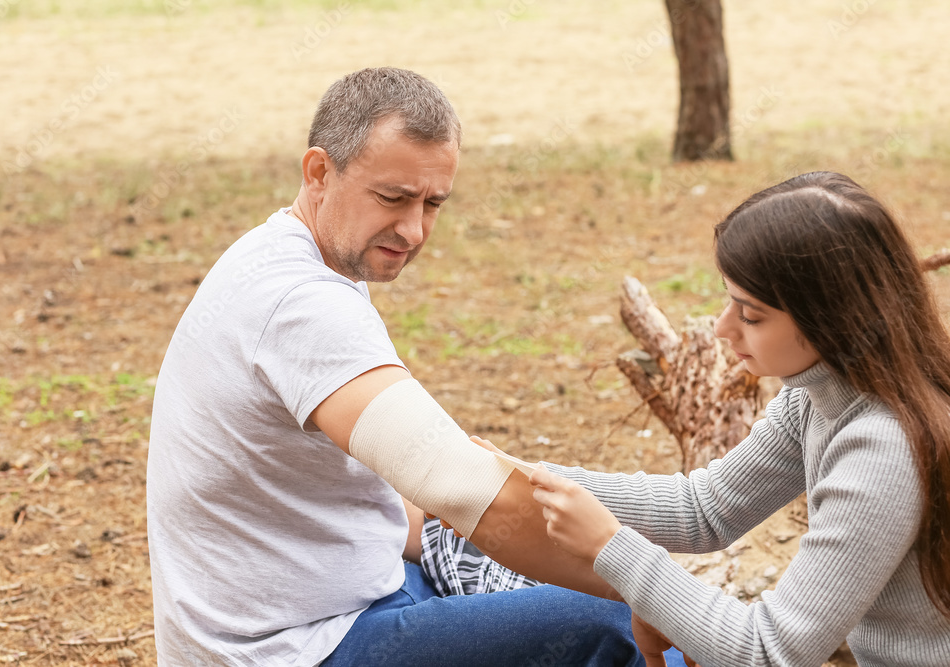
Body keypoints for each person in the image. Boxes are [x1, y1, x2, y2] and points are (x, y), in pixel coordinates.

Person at [147, 66, 685, 666]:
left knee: (551, 588)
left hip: (347, 600)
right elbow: (459, 485)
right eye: (393, 198)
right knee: (609, 623)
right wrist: (646, 589)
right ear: (319, 171)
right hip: (295, 647)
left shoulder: (289, 255)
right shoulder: (301, 305)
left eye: (433, 203)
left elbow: (376, 499)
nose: (413, 230)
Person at [510, 171, 950, 666]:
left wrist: (614, 549)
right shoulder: (813, 398)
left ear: (830, 317)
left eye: (750, 314)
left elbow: (766, 653)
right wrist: (520, 475)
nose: (722, 328)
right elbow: (705, 510)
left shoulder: (882, 448)